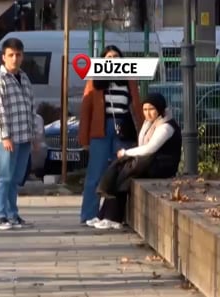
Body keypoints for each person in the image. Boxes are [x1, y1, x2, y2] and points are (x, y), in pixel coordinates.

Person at [90, 93, 182, 229]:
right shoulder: (150, 123)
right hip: (150, 162)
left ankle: (113, 217)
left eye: (151, 109)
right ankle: (104, 215)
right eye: (145, 110)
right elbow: (142, 146)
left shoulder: (166, 126)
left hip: (162, 166)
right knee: (122, 172)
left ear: (160, 108)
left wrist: (126, 153)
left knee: (124, 174)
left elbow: (150, 148)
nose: (148, 113)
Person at [78, 45, 144, 225]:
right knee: (95, 173)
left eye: (116, 56)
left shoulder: (129, 80)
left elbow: (137, 107)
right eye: (108, 57)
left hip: (123, 129)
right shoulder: (95, 80)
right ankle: (88, 215)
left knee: (119, 173)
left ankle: (112, 215)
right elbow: (86, 110)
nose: (113, 60)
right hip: (101, 129)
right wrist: (84, 138)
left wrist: (144, 130)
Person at [0, 38, 40, 230]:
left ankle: (12, 214)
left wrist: (34, 135)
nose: (15, 59)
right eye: (11, 55)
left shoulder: (24, 78)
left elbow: (31, 107)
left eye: (18, 55)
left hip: (24, 136)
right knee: (4, 176)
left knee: (16, 178)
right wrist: (5, 136)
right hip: (7, 138)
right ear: (4, 57)